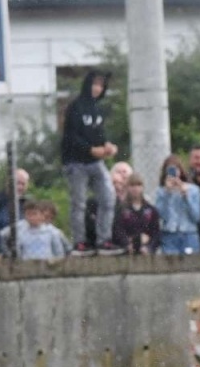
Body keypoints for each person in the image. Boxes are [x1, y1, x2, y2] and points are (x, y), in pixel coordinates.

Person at [60, 69, 119, 254]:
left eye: (101, 85)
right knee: (79, 203)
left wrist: (107, 146)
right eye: (95, 84)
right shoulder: (75, 107)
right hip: (76, 163)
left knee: (108, 198)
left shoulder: (98, 109)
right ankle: (79, 242)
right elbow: (70, 136)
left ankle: (104, 240)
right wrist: (90, 150)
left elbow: (99, 134)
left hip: (96, 162)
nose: (97, 88)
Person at [155, 157, 200, 255]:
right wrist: (167, 194)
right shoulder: (161, 192)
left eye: (175, 169)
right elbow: (161, 216)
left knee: (191, 262)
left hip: (189, 234)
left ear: (180, 170)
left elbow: (196, 217)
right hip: (169, 234)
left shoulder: (193, 189)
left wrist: (186, 196)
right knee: (170, 262)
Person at [113, 174, 161, 254]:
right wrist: (127, 243)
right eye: (132, 185)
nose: (135, 188)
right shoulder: (121, 209)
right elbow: (118, 230)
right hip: (126, 252)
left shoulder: (151, 210)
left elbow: (156, 233)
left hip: (146, 252)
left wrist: (149, 247)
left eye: (138, 185)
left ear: (142, 187)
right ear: (127, 187)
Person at [0, 168, 30, 234]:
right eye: (17, 183)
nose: (20, 187)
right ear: (8, 182)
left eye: (23, 184)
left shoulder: (28, 204)